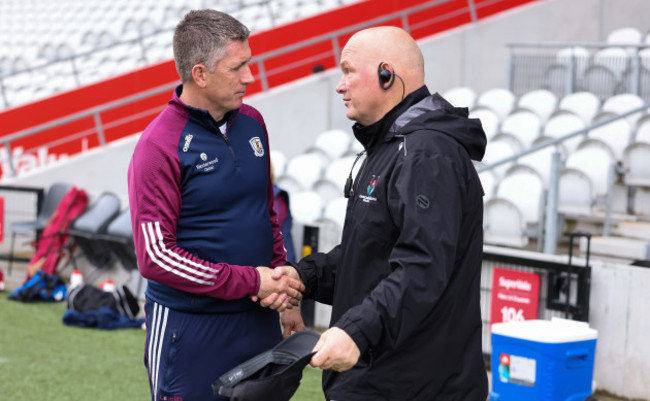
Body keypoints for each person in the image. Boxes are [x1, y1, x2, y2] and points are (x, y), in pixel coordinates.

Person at [266, 26, 489, 400]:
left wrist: (356, 331)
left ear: (387, 75)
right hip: (380, 380)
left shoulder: (427, 154)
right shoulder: (391, 146)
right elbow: (368, 257)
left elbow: (422, 269)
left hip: (415, 387)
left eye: (348, 70)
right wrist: (303, 277)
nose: (339, 85)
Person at [127, 10, 305, 401]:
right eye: (237, 67)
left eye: (249, 64)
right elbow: (155, 257)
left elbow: (266, 216)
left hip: (259, 321)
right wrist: (251, 281)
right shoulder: (157, 147)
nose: (249, 77)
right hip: (189, 330)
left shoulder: (254, 123)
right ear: (200, 74)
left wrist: (285, 298)